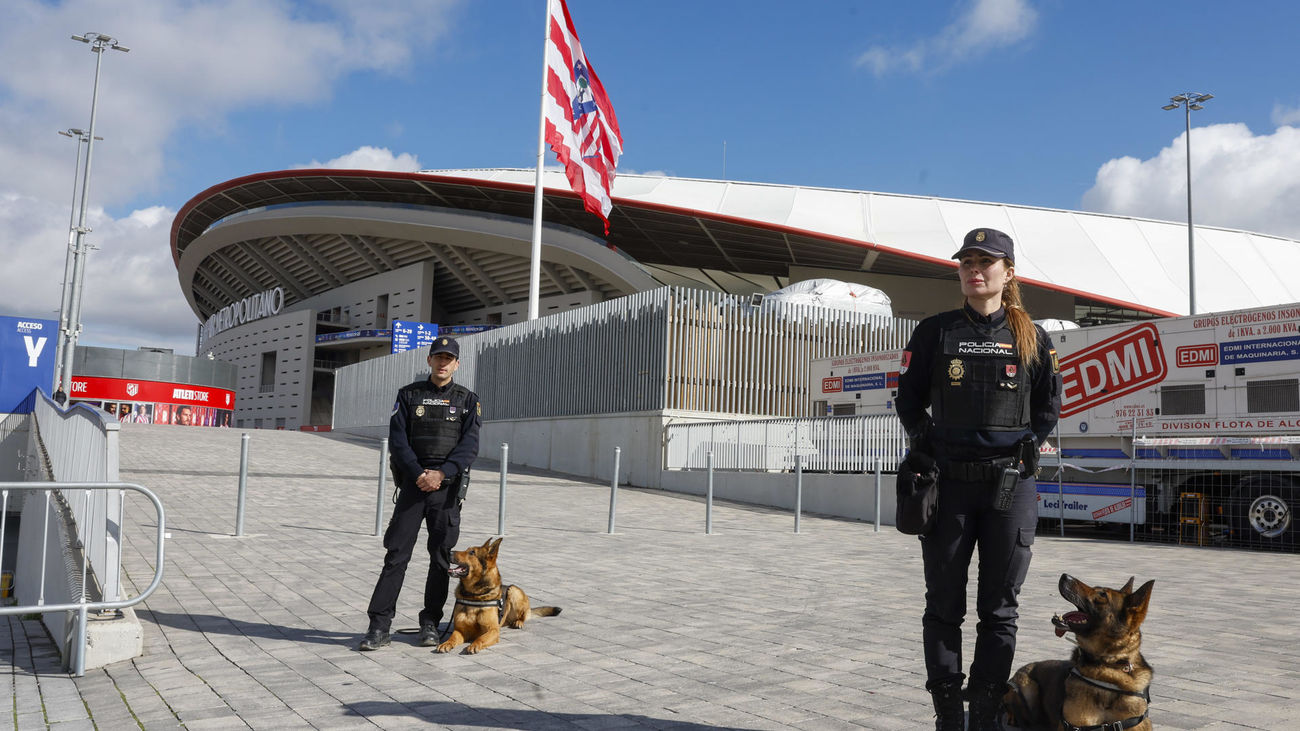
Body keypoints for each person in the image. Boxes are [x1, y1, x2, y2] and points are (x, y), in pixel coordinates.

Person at [896, 228, 1061, 730]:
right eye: (967, 261)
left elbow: (1047, 408)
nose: (974, 270)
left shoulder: (1031, 334)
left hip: (1009, 490)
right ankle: (948, 715)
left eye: (986, 262)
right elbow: (908, 400)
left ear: (1008, 273)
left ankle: (985, 713)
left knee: (1000, 609)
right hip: (950, 491)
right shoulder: (935, 331)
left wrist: (1021, 448)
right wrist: (931, 447)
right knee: (943, 606)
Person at [359, 336, 481, 651]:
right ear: (429, 361)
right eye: (437, 357)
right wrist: (419, 474)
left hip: (446, 489)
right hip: (414, 488)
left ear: (456, 364)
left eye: (448, 358)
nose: (442, 363)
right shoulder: (409, 395)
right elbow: (398, 441)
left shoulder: (467, 400)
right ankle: (378, 626)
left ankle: (430, 623)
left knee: (441, 559)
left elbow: (469, 446)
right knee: (396, 556)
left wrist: (442, 474)